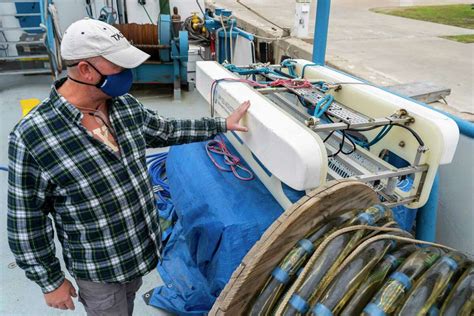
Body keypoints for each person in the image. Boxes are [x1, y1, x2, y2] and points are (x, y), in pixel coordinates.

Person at [7, 18, 250, 316]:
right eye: (119, 67)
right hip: (100, 269)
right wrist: (50, 281)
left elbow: (166, 130)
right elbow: (26, 222)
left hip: (138, 252)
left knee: (128, 304)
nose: (127, 75)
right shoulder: (34, 136)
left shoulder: (123, 105)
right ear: (85, 70)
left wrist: (221, 124)